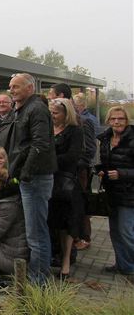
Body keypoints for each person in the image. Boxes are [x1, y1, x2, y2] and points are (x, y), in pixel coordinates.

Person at [8, 73, 57, 285]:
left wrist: (25, 172)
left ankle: (39, 281)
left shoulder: (35, 109)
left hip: (35, 178)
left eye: (16, 87)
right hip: (29, 176)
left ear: (29, 88)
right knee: (34, 232)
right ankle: (36, 275)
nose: (11, 90)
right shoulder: (24, 109)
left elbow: (40, 144)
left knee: (36, 234)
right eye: (10, 86)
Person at [48, 98, 85, 280]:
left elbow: (72, 156)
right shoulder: (47, 130)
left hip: (65, 185)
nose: (52, 116)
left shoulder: (75, 131)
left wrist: (49, 159)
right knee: (52, 223)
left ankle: (66, 262)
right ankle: (54, 257)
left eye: (55, 113)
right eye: (51, 113)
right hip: (48, 182)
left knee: (66, 225)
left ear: (66, 114)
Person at [97, 106, 134, 282]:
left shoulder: (132, 139)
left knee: (127, 231)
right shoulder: (106, 139)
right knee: (115, 232)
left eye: (121, 119)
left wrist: (122, 173)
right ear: (108, 121)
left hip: (129, 194)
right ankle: (123, 265)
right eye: (113, 119)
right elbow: (106, 162)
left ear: (126, 120)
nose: (117, 122)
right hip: (112, 192)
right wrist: (102, 171)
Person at [72, 92, 100, 250]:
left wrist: (80, 165)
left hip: (81, 170)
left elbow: (90, 148)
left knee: (81, 202)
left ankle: (84, 237)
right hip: (76, 170)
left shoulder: (86, 121)